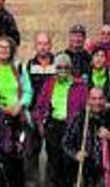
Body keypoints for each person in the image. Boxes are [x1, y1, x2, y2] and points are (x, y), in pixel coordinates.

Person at [0, 36, 33, 187]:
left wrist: (19, 106)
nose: (3, 50)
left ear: (12, 50)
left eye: (7, 47)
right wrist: (0, 108)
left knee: (15, 161)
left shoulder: (19, 68)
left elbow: (28, 91)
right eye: (0, 47)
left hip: (17, 118)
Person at [33, 54, 88, 187]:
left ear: (71, 68)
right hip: (53, 126)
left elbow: (86, 108)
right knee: (54, 162)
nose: (62, 70)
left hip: (71, 127)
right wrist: (40, 123)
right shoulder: (49, 83)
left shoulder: (79, 85)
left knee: (68, 162)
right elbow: (39, 106)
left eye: (66, 67)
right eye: (59, 67)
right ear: (54, 69)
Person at [63, 87, 110, 187]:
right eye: (94, 98)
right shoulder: (79, 118)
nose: (97, 102)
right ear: (88, 100)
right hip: (86, 172)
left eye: (100, 98)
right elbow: (66, 142)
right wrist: (75, 154)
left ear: (105, 100)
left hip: (108, 172)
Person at [27, 31, 56, 187]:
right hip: (34, 114)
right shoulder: (29, 65)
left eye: (45, 44)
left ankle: (50, 183)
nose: (43, 47)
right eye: (40, 43)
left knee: (53, 152)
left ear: (50, 45)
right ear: (35, 46)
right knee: (32, 151)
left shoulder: (57, 64)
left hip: (53, 115)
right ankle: (34, 182)